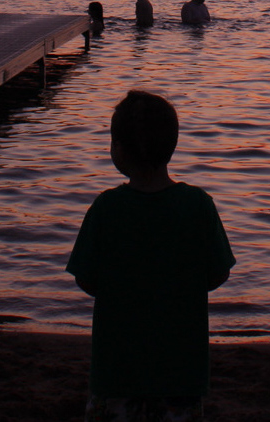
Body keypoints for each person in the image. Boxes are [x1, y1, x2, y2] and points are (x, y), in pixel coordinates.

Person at [66, 90, 235, 420]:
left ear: (119, 151)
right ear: (172, 145)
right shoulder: (198, 205)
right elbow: (218, 273)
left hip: (117, 371)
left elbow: (86, 278)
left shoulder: (106, 208)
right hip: (180, 372)